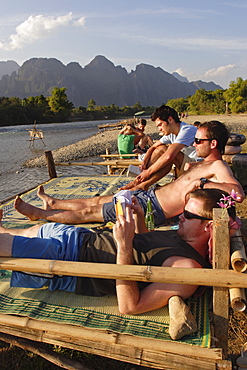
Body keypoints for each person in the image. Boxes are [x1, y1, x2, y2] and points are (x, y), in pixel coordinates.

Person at [0, 189, 237, 314]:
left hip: (72, 260)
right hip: (80, 238)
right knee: (34, 230)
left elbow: (130, 306)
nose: (180, 216)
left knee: (8, 246)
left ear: (210, 226)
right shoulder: (183, 235)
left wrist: (123, 245)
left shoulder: (188, 270)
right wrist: (140, 219)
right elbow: (147, 250)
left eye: (189, 215)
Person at [14, 120, 245, 227]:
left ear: (213, 143)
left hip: (151, 209)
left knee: (91, 212)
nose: (193, 143)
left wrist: (203, 182)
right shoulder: (203, 163)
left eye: (198, 140)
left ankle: (39, 214)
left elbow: (238, 194)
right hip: (150, 197)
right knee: (97, 200)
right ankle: (54, 202)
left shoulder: (218, 167)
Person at [121, 105, 200, 191]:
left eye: (160, 125)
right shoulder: (171, 134)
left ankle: (140, 183)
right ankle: (142, 183)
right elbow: (152, 147)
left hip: (196, 166)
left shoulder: (186, 130)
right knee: (160, 149)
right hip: (183, 166)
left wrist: (148, 172)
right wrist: (144, 162)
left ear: (170, 120)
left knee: (165, 151)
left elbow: (169, 156)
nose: (159, 129)